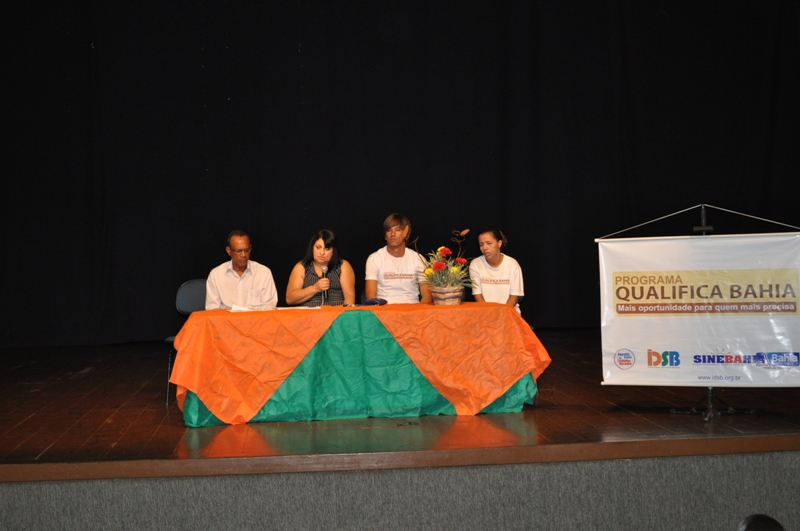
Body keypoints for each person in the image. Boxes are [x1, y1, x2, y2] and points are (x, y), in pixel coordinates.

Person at [365, 213, 432, 304]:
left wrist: (420, 311)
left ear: (406, 235)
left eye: (398, 230)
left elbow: (427, 297)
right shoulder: (374, 259)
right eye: (389, 230)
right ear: (385, 236)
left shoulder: (418, 259)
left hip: (412, 308)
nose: (393, 234)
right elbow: (370, 297)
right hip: (384, 309)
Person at [205, 230, 278, 310]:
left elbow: (269, 307)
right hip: (227, 318)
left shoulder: (263, 273)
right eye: (238, 251)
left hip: (255, 318)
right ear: (229, 251)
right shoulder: (216, 275)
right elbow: (212, 309)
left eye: (247, 250)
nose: (243, 255)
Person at [286, 229, 356, 306]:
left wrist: (344, 311)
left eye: (327, 249)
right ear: (312, 248)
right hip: (309, 312)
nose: (322, 252)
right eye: (318, 247)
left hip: (336, 311)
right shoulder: (301, 267)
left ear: (333, 251)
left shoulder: (342, 265)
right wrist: (314, 288)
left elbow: (349, 295)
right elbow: (290, 299)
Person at [469, 227, 524, 313]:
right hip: (486, 313)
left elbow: (514, 297)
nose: (485, 247)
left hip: (509, 313)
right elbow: (477, 296)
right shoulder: (475, 264)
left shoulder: (512, 264)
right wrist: (490, 314)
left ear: (499, 243)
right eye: (481, 244)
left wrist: (501, 314)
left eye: (489, 243)